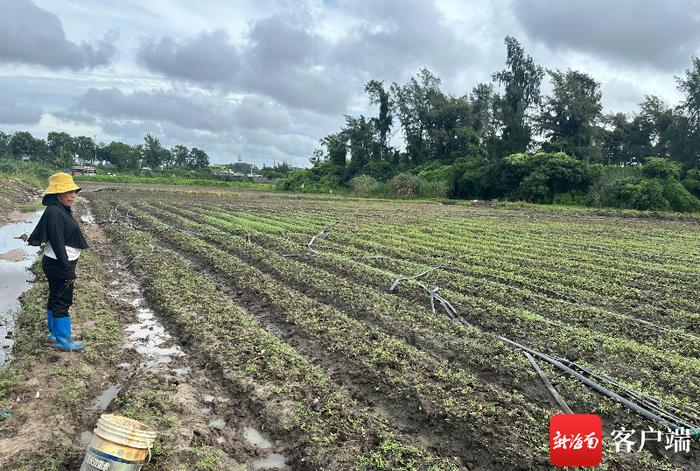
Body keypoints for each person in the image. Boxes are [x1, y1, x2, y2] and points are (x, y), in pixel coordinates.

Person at [28, 172, 89, 351]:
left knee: (55, 297)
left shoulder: (58, 208)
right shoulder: (55, 212)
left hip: (55, 262)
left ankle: (54, 334)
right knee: (63, 300)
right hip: (59, 263)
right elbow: (56, 241)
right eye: (68, 191)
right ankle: (63, 341)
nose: (73, 195)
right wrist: (67, 269)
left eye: (74, 192)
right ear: (57, 193)